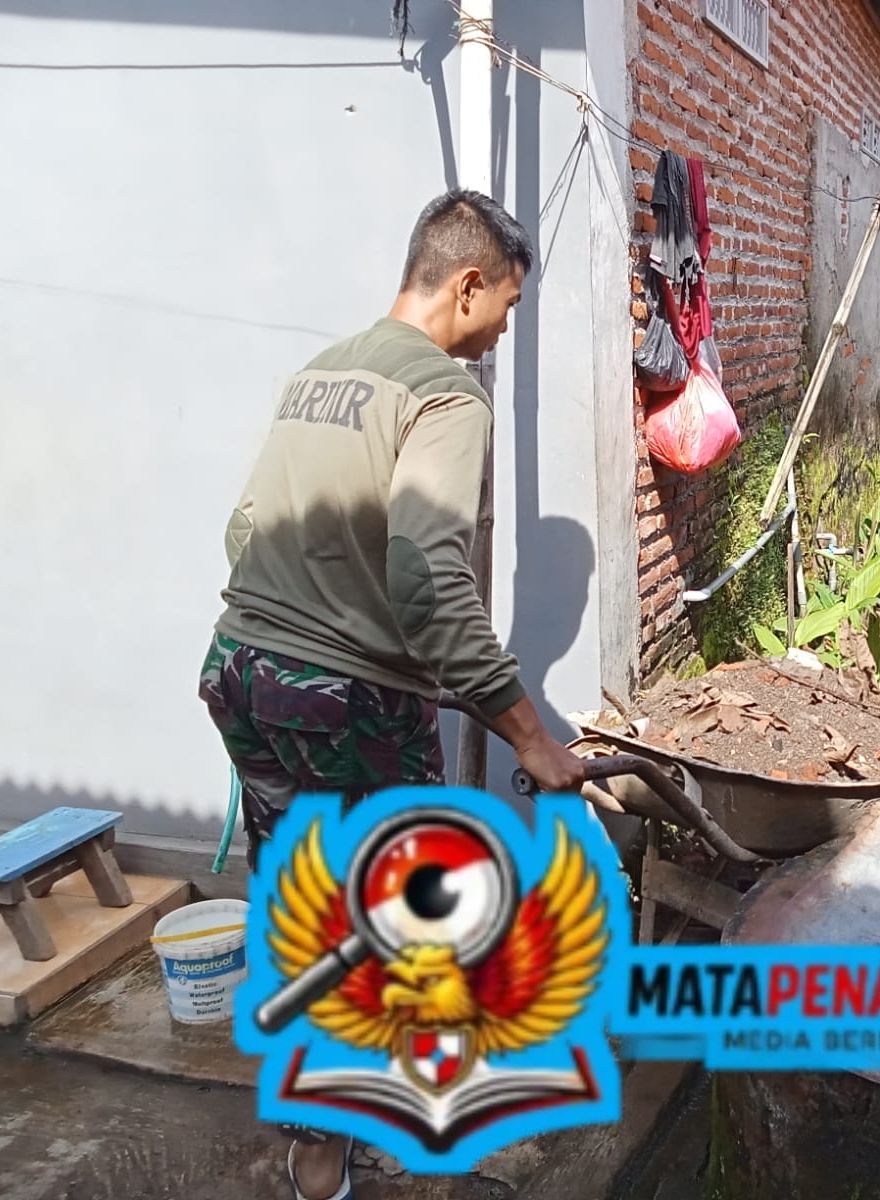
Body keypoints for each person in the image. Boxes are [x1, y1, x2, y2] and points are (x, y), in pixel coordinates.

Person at [197, 188, 585, 1200]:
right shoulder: (446, 396)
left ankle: (311, 1144)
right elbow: (426, 575)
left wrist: (310, 618)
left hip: (242, 672)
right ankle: (362, 1134)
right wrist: (528, 735)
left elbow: (245, 529)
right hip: (345, 702)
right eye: (507, 305)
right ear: (469, 285)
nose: (503, 330)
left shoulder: (320, 373)